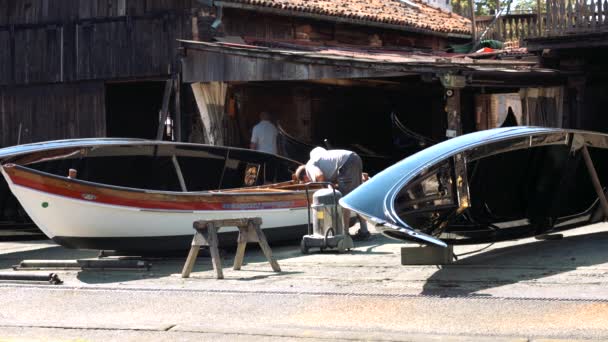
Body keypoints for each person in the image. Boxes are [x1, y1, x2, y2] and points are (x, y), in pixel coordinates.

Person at [294, 147, 371, 240]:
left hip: (346, 163)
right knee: (357, 197)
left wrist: (325, 189)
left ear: (305, 177)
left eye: (306, 181)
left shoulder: (309, 166)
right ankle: (364, 231)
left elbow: (319, 176)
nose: (309, 181)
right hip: (354, 157)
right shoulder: (321, 159)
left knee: (344, 201)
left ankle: (345, 234)